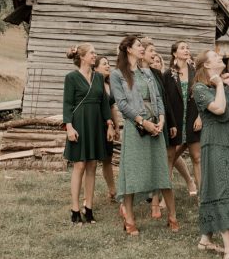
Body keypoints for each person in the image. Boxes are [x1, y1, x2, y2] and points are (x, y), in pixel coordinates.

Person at [111, 36, 178, 236]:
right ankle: (129, 219)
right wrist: (143, 122)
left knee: (162, 173)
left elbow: (158, 97)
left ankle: (172, 216)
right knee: (132, 172)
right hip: (135, 128)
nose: (143, 49)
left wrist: (162, 119)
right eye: (139, 46)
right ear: (129, 50)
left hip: (156, 126)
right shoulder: (117, 74)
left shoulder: (147, 72)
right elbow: (122, 104)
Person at [192, 49, 229, 259]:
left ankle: (205, 239)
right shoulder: (199, 88)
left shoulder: (224, 85)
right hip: (215, 141)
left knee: (226, 186)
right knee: (221, 189)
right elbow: (219, 108)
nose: (220, 58)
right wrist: (218, 86)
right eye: (215, 57)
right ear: (207, 65)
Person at [63, 43, 114, 224]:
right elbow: (67, 104)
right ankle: (75, 209)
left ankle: (89, 208)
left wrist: (109, 125)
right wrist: (69, 127)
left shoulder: (99, 78)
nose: (95, 55)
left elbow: (104, 104)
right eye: (92, 53)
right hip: (79, 124)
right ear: (83, 57)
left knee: (92, 165)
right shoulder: (71, 78)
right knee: (80, 166)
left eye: (95, 53)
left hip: (96, 124)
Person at [162, 41, 201, 197]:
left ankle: (202, 195)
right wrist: (170, 122)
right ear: (174, 53)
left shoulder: (196, 72)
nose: (186, 50)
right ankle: (165, 197)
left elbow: (203, 95)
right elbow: (165, 101)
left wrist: (200, 116)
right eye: (182, 48)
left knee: (197, 157)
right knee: (170, 157)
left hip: (193, 119)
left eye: (187, 48)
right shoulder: (168, 74)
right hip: (175, 121)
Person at [94, 55, 121, 200]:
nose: (108, 66)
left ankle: (112, 191)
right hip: (95, 124)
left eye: (108, 64)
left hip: (108, 126)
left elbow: (112, 107)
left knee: (107, 159)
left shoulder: (109, 84)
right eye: (104, 64)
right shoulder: (92, 83)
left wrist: (116, 127)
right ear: (95, 67)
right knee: (91, 161)